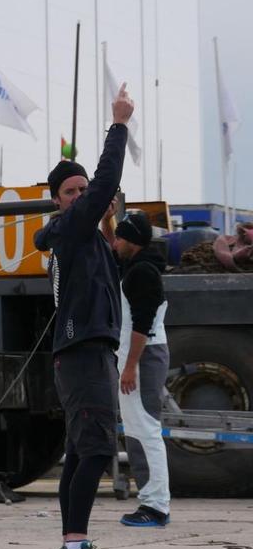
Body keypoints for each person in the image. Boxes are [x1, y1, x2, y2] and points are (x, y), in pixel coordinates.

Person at [33, 82, 135, 549]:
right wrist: (117, 123)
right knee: (93, 448)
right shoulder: (71, 229)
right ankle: (76, 547)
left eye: (81, 191)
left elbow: (114, 269)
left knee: (80, 450)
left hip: (85, 353)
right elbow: (105, 180)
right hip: (83, 352)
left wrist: (110, 225)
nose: (81, 197)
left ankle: (72, 545)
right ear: (58, 201)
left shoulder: (88, 239)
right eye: (70, 192)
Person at [110, 211, 171, 527]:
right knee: (136, 430)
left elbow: (142, 325)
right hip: (139, 356)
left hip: (143, 357)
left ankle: (156, 507)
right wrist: (107, 220)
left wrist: (131, 366)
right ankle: (150, 502)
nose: (115, 242)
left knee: (145, 430)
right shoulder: (137, 266)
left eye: (119, 237)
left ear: (131, 241)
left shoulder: (142, 273)